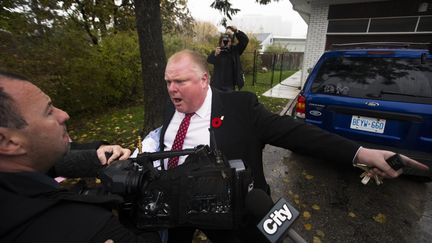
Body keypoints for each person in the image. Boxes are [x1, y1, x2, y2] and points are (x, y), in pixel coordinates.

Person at [157, 49, 429, 242]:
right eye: (168, 81)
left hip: (234, 217)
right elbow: (160, 143)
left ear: (205, 80)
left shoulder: (241, 108)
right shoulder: (170, 110)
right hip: (178, 210)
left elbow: (297, 134)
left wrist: (362, 153)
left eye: (179, 81)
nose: (171, 89)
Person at [0, 71, 162, 243]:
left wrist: (95, 157)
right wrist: (138, 209)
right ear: (7, 142)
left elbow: (47, 162)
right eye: (48, 112)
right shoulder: (87, 227)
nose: (64, 115)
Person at [207, 26, 248, 91]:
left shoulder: (235, 51)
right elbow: (209, 60)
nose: (226, 43)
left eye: (228, 41)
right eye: (224, 41)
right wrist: (215, 54)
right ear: (221, 42)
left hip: (230, 86)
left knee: (229, 100)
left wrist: (236, 31)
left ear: (231, 42)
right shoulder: (217, 51)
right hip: (217, 85)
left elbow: (245, 40)